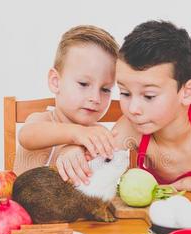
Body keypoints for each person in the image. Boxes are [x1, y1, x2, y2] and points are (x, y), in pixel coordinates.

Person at [59, 20, 191, 198]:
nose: (133, 109)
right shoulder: (130, 129)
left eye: (149, 96)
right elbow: (92, 166)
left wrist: (185, 185)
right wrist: (73, 148)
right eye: (124, 93)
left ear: (186, 92)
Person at [13, 25, 120, 186]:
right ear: (56, 82)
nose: (95, 98)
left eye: (105, 89)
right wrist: (76, 134)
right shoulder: (43, 120)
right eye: (84, 84)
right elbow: (26, 136)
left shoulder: (99, 135)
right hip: (21, 210)